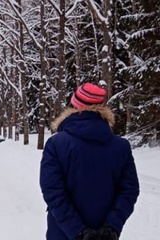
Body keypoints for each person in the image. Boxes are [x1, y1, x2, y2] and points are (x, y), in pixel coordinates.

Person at [40, 82, 139, 240]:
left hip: (64, 233)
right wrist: (112, 226)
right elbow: (129, 191)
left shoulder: (56, 144)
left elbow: (53, 192)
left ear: (74, 106)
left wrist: (78, 231)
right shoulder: (121, 146)